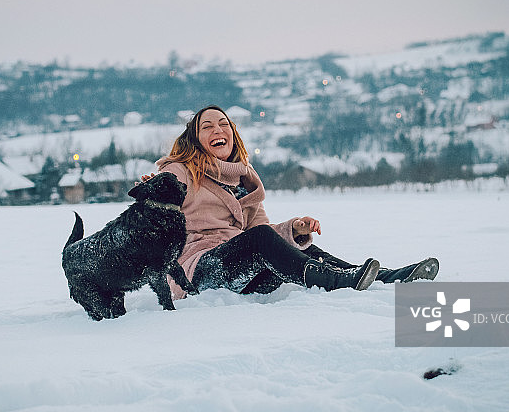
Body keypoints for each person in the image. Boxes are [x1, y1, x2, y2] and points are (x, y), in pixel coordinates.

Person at [146, 105, 439, 300]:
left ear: (233, 134)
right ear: (196, 139)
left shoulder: (246, 180)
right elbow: (153, 210)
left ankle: (386, 277)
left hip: (244, 274)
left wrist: (293, 229)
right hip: (199, 271)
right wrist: (151, 192)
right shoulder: (181, 170)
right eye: (206, 126)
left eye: (223, 124)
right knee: (261, 239)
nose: (217, 130)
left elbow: (263, 232)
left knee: (303, 245)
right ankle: (334, 280)